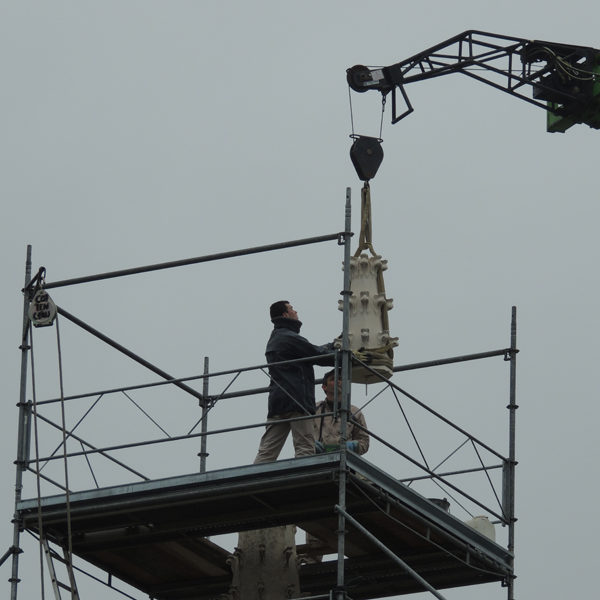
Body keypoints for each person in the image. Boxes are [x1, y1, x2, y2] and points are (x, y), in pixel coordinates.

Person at [253, 300, 335, 464]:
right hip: (298, 400)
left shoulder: (278, 337)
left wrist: (333, 345)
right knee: (305, 447)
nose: (296, 311)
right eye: (292, 309)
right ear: (285, 315)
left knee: (267, 451)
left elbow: (309, 350)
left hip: (278, 401)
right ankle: (304, 483)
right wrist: (345, 355)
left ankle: (252, 484)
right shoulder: (289, 337)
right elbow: (315, 353)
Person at [313, 369, 369, 455]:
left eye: (340, 379)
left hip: (345, 460)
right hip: (316, 460)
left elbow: (364, 442)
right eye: (333, 379)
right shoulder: (314, 410)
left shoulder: (355, 412)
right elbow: (301, 434)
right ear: (324, 387)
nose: (338, 381)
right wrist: (311, 445)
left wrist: (352, 446)